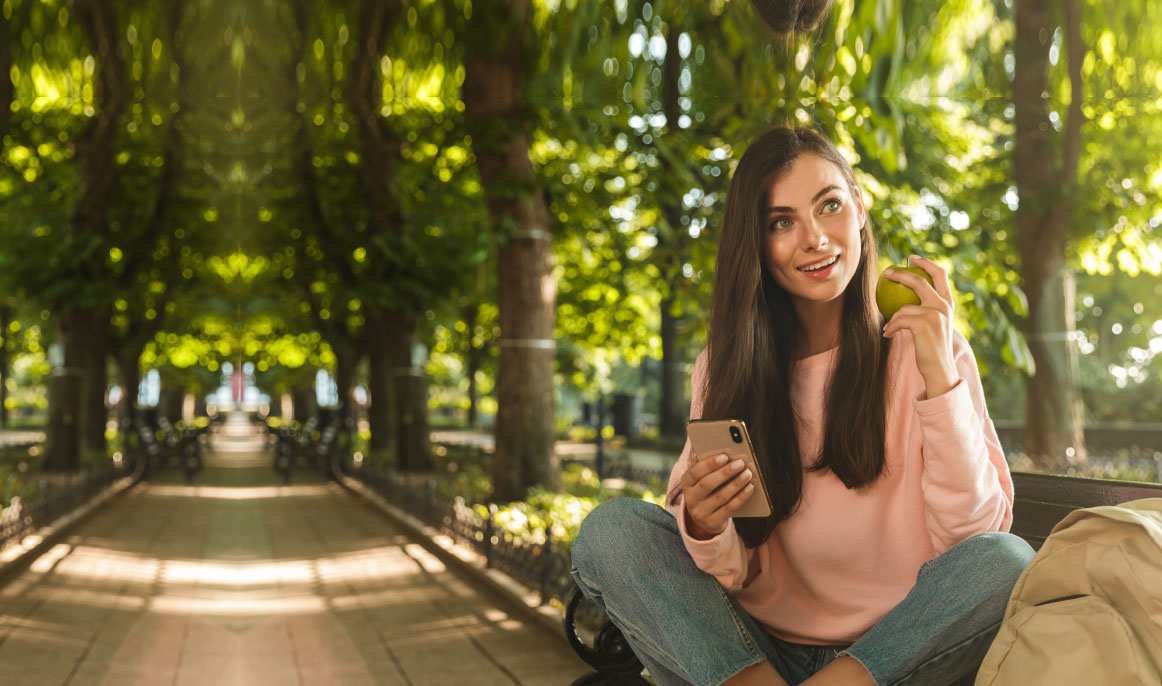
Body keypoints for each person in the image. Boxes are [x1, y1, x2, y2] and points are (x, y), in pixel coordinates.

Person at [569, 127, 1034, 686]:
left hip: (889, 657)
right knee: (612, 530)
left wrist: (939, 376)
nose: (814, 239)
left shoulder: (928, 348)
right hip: (755, 653)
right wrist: (704, 523)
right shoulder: (726, 366)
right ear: (758, 244)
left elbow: (974, 541)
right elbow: (730, 573)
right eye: (782, 222)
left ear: (859, 208)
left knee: (1006, 560)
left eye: (830, 205)